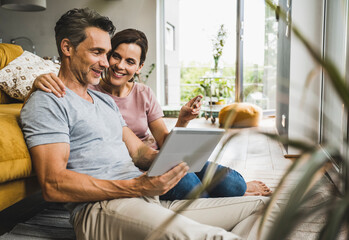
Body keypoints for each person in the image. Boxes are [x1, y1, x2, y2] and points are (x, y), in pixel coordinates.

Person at [19, 8, 274, 240]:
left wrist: (180, 156)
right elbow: (53, 184)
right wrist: (136, 186)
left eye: (106, 54)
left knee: (262, 207)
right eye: (97, 53)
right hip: (103, 208)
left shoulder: (103, 101)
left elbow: (139, 152)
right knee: (215, 236)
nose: (107, 64)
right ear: (67, 47)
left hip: (146, 198)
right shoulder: (48, 102)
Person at [32, 28, 271, 200]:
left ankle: (228, 194)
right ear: (107, 55)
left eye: (130, 61)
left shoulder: (143, 93)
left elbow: (162, 144)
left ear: (139, 67)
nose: (119, 66)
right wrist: (37, 82)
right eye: (115, 56)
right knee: (190, 184)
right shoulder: (88, 89)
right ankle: (216, 200)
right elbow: (61, 85)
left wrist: (182, 121)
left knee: (233, 183)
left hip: (152, 157)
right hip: (128, 170)